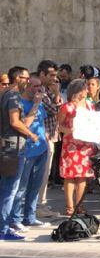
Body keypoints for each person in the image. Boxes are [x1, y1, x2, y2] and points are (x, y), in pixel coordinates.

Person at [7, 72, 50, 234]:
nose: (38, 89)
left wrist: (45, 141)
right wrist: (35, 105)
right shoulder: (21, 103)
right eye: (35, 86)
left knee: (35, 185)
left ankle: (30, 216)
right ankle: (15, 219)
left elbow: (42, 123)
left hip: (41, 148)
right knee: (21, 187)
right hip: (26, 150)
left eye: (40, 86)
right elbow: (24, 123)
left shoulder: (38, 103)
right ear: (27, 86)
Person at [1, 68, 37, 240]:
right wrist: (31, 134)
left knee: (7, 188)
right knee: (10, 189)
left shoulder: (4, 94)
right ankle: (3, 228)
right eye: (26, 78)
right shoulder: (13, 96)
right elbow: (15, 122)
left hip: (8, 146)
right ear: (17, 78)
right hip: (13, 148)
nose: (28, 81)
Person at [57, 79, 99, 217]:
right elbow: (59, 125)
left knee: (82, 176)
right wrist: (69, 130)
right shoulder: (67, 107)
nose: (87, 90)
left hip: (86, 144)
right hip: (71, 144)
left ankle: (79, 205)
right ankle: (70, 206)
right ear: (77, 90)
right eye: (84, 88)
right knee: (70, 176)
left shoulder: (89, 105)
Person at [35, 61, 61, 218]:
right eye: (51, 75)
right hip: (41, 137)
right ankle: (37, 205)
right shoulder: (39, 91)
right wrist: (57, 94)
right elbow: (53, 110)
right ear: (42, 74)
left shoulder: (48, 90)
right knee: (42, 173)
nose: (55, 78)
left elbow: (59, 107)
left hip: (51, 135)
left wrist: (56, 95)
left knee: (46, 172)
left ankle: (41, 204)